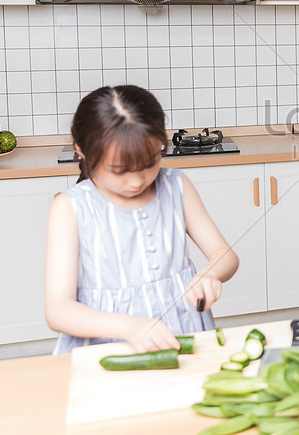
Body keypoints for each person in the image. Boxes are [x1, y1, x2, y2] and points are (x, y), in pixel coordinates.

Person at [45, 85, 239, 353]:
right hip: (109, 346)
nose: (137, 180)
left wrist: (209, 274)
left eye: (149, 162)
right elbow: (58, 310)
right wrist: (129, 327)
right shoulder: (70, 207)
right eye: (119, 170)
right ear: (83, 151)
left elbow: (225, 255)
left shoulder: (176, 186)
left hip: (183, 330)